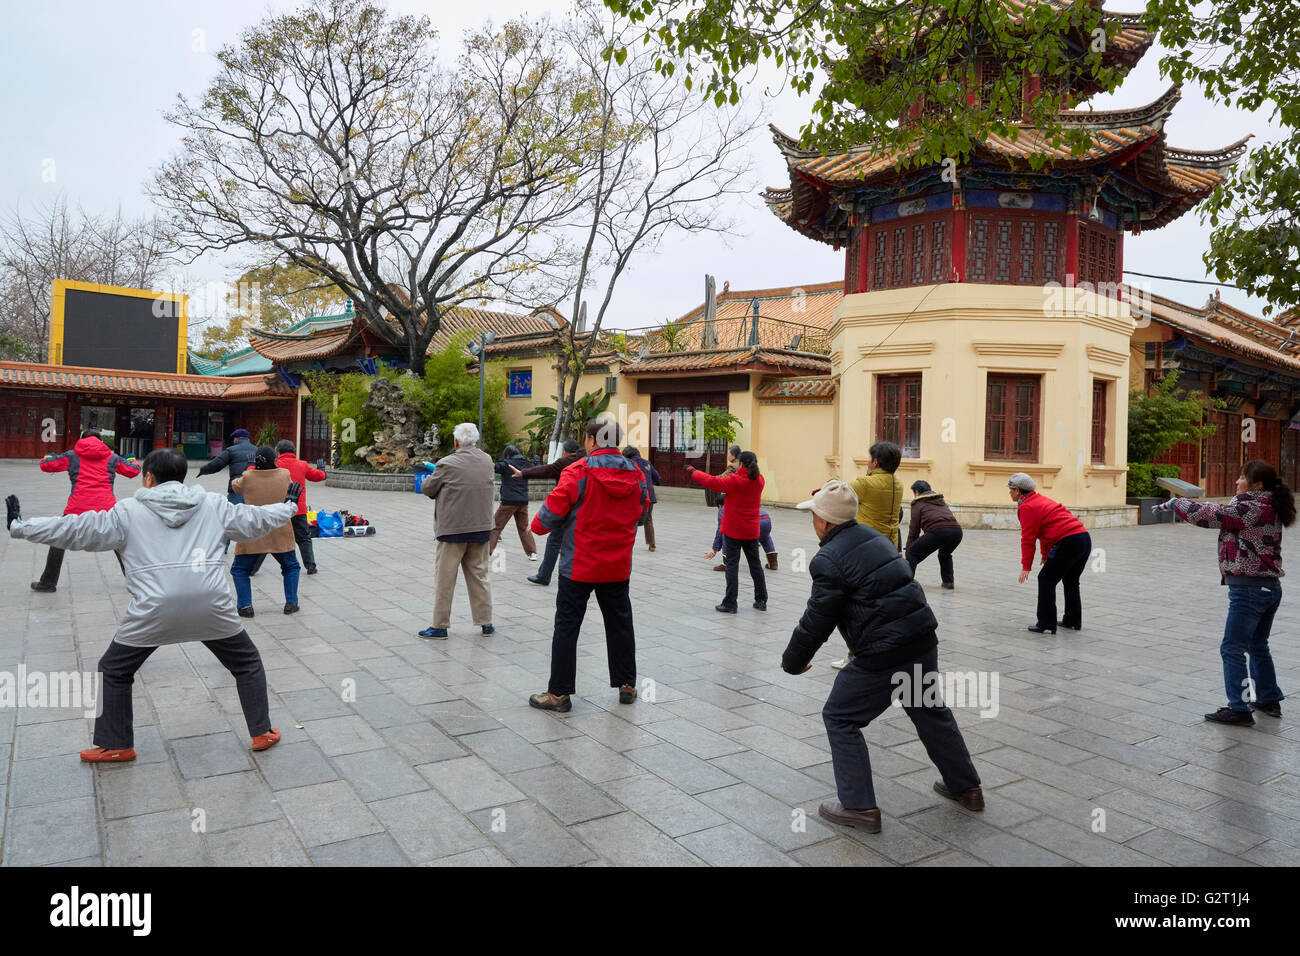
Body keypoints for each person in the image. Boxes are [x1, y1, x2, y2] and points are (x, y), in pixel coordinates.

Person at [5, 449, 300, 763]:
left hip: (154, 609)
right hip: (211, 603)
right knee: (247, 663)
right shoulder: (214, 505)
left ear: (148, 477)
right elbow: (256, 520)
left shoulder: (127, 511)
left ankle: (116, 744)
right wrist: (289, 506)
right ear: (182, 476)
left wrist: (21, 527)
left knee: (114, 671)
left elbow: (77, 529)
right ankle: (261, 732)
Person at [780, 480, 983, 833]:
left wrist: (793, 661)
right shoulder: (876, 538)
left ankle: (859, 808)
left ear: (825, 521)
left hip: (882, 651)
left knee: (840, 716)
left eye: (813, 515)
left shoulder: (827, 559)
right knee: (928, 709)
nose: (812, 521)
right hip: (920, 638)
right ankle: (966, 788)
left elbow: (818, 618)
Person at [1156, 460, 1295, 725]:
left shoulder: (1251, 508)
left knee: (1232, 649)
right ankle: (1268, 697)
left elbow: (1211, 514)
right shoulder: (1269, 505)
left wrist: (1177, 503)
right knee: (1257, 645)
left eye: (1241, 478)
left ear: (1257, 485)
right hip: (1269, 588)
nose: (1236, 482)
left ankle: (1240, 708)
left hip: (1249, 590)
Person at [528, 419, 649, 712]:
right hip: (617, 566)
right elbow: (642, 512)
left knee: (567, 626)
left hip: (579, 564)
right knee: (620, 623)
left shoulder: (578, 471)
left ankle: (559, 693)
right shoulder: (637, 475)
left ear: (593, 440)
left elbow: (547, 518)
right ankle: (627, 684)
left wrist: (541, 524)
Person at [30, 428, 140, 592]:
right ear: (100, 440)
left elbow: (46, 466)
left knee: (58, 540)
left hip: (76, 508)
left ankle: (48, 582)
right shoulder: (112, 457)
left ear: (82, 439)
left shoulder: (72, 455)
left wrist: (49, 457)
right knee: (121, 542)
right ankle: (137, 582)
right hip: (107, 509)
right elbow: (133, 471)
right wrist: (133, 460)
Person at [419, 423, 495, 639]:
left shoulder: (447, 463)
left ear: (455, 442)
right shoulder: (487, 460)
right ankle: (486, 622)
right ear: (477, 442)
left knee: (445, 579)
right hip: (481, 528)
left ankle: (440, 626)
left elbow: (428, 488)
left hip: (453, 530)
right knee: (479, 576)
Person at [1008, 473, 1090, 635]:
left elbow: (1028, 539)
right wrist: (1045, 555)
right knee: (1071, 580)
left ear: (1017, 490)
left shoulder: (1027, 507)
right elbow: (1046, 531)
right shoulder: (1040, 499)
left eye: (1010, 490)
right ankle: (1072, 620)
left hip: (1068, 542)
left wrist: (1026, 566)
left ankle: (1045, 623)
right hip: (1083, 538)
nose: (1009, 493)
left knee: (1045, 579)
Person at [686, 451, 768, 613]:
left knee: (732, 566)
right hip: (751, 531)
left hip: (733, 531)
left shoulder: (735, 480)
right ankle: (761, 600)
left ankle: (730, 603)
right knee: (755, 566)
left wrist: (692, 471)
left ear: (742, 464)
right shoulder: (760, 480)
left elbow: (711, 481)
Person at [230, 447, 301, 617]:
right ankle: (291, 602)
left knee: (240, 569)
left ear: (255, 461)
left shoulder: (248, 477)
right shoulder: (284, 474)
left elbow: (234, 487)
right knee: (290, 566)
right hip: (279, 527)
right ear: (275, 459)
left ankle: (245, 606)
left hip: (253, 529)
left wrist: (248, 468)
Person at [512, 438, 584, 586]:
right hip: (585, 507)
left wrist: (523, 473)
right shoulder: (587, 458)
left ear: (564, 451)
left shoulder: (565, 462)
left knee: (554, 541)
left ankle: (544, 575)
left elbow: (546, 470)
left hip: (567, 508)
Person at [197, 428, 257, 554]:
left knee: (228, 518)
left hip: (236, 490)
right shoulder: (257, 450)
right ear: (248, 439)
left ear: (236, 439)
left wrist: (202, 470)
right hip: (254, 490)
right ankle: (255, 547)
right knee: (252, 519)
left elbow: (216, 465)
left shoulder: (232, 450)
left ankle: (223, 547)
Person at [274, 439, 326, 575]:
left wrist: (250, 465)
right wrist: (322, 470)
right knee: (303, 538)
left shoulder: (275, 464)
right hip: (298, 509)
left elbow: (254, 472)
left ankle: (252, 568)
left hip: (278, 508)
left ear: (278, 452)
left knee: (270, 536)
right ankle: (310, 565)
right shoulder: (302, 464)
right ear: (293, 452)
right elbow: (318, 477)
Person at [905, 480, 963, 590]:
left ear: (916, 492)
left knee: (912, 552)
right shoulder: (939, 500)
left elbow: (914, 529)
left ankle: (906, 582)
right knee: (945, 554)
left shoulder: (917, 503)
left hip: (939, 531)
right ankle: (948, 582)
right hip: (957, 532)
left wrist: (909, 546)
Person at [851, 441, 905, 550]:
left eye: (869, 458)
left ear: (875, 462)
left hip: (868, 543)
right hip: (890, 544)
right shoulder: (898, 484)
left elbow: (838, 493)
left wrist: (831, 482)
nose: (868, 462)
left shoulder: (865, 483)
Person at [490, 444, 538, 560]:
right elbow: (537, 468)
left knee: (495, 527)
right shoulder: (527, 463)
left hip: (508, 502)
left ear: (507, 455)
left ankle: (486, 552)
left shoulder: (506, 464)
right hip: (523, 501)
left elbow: (493, 467)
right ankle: (532, 553)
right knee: (524, 528)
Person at [706, 497, 778, 571]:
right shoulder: (740, 501)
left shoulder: (723, 509)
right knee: (765, 537)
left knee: (726, 534)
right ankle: (773, 563)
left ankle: (726, 564)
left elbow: (720, 531)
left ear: (719, 505)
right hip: (766, 519)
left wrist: (714, 550)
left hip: (753, 522)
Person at [623, 446, 661, 551]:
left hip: (634, 494)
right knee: (648, 519)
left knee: (630, 519)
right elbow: (656, 476)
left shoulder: (627, 463)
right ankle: (652, 544)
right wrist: (656, 483)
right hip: (650, 494)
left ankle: (627, 543)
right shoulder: (647, 463)